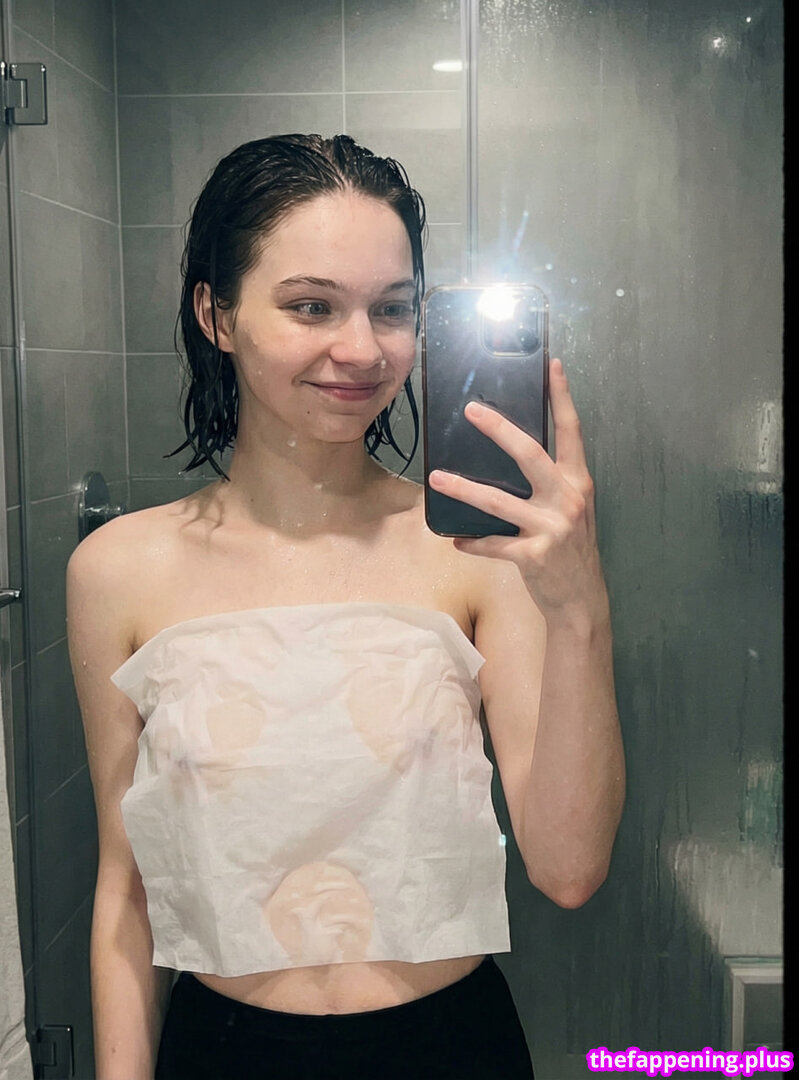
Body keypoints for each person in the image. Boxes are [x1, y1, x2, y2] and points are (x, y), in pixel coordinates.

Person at [66, 134, 625, 1080]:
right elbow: (127, 892)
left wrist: (579, 607)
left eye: (393, 309)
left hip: (449, 1050)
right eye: (311, 305)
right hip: (223, 1052)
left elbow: (567, 871)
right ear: (217, 313)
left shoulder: (476, 554)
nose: (362, 349)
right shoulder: (118, 570)